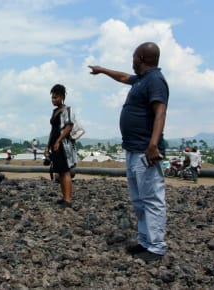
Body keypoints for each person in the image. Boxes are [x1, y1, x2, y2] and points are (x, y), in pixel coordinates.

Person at [89, 42, 168, 262]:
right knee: (139, 200)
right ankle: (145, 241)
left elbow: (160, 112)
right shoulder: (142, 79)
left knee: (151, 199)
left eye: (134, 56)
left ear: (141, 58)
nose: (131, 60)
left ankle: (156, 247)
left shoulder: (155, 80)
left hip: (145, 151)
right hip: (133, 150)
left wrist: (153, 144)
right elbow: (124, 77)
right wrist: (103, 70)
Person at [44, 84, 77, 208]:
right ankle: (64, 198)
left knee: (66, 171)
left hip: (63, 145)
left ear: (62, 97)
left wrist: (58, 141)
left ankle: (68, 200)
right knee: (60, 172)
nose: (53, 100)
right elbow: (52, 130)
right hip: (55, 144)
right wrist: (48, 145)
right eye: (52, 98)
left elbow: (69, 127)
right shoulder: (54, 111)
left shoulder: (67, 110)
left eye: (56, 97)